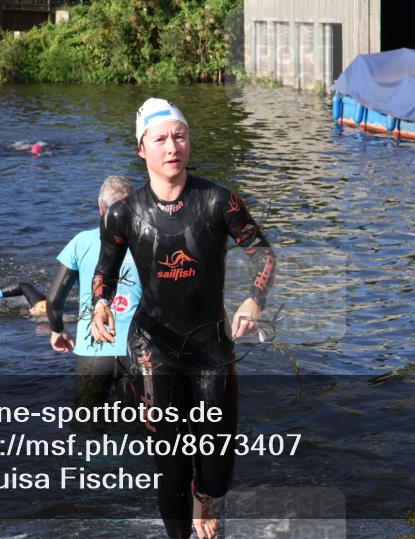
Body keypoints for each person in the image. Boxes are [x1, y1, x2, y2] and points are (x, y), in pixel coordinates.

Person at [91, 98, 277, 539]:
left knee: (216, 470)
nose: (172, 146)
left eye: (180, 136)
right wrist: (100, 304)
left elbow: (263, 253)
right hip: (153, 347)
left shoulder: (219, 201)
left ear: (189, 142)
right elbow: (105, 273)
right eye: (160, 139)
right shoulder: (124, 213)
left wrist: (255, 300)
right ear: (142, 149)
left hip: (211, 347)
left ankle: (204, 496)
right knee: (170, 461)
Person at [46, 176, 142, 410]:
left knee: (86, 425)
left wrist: (58, 329)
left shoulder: (82, 242)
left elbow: (54, 299)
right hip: (139, 352)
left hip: (94, 350)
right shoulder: (148, 242)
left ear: (101, 208)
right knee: (138, 429)